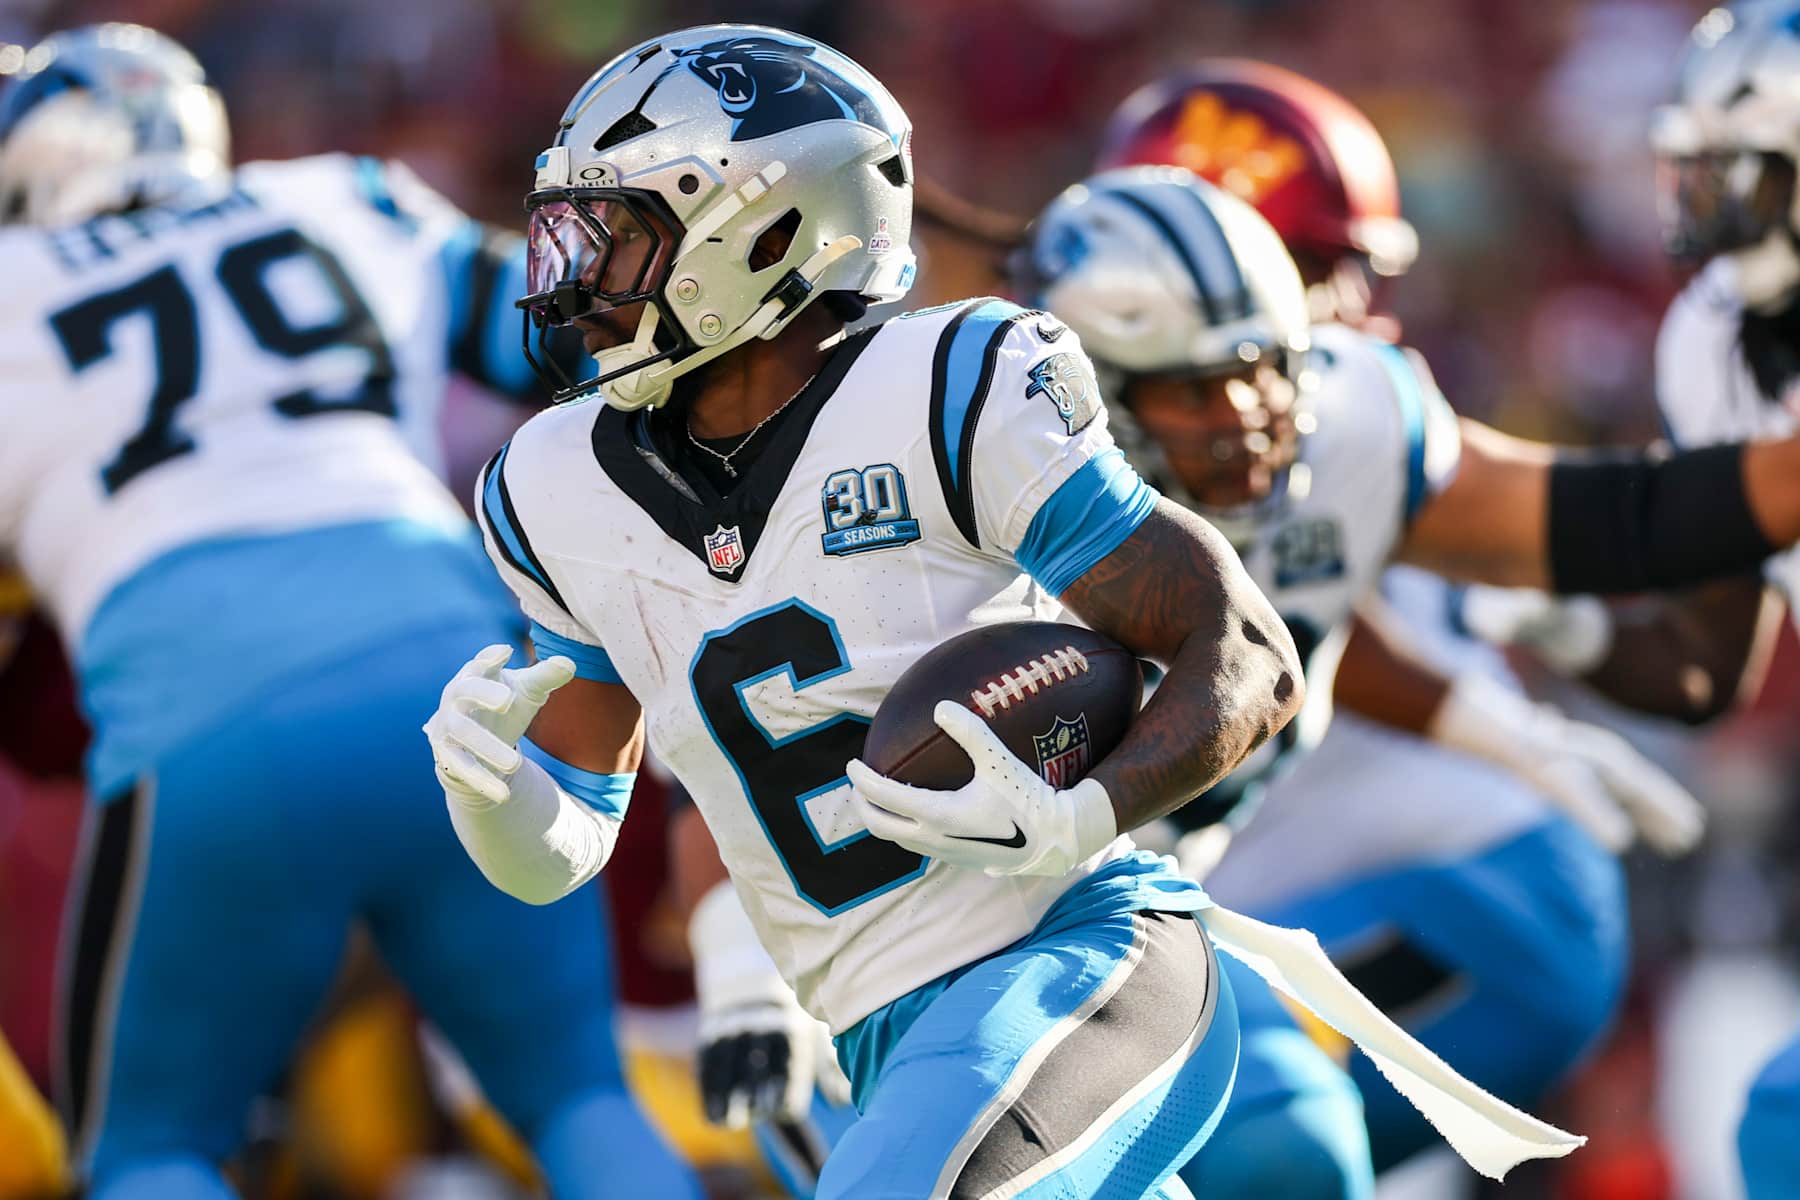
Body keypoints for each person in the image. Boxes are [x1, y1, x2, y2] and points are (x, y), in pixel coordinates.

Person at [425, 24, 1303, 1200]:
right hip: (879, 1043)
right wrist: (494, 798)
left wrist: (1084, 816)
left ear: (764, 229)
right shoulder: (549, 488)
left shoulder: (947, 387)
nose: (578, 277)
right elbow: (571, 841)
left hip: (1079, 961)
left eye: (622, 235)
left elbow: (1243, 650)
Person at [0, 23, 697, 1199]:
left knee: (149, 1147)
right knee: (579, 1098)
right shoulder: (345, 202)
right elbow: (590, 345)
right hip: (463, 668)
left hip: (208, 711)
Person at [1092, 61, 1661, 1181]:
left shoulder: (1304, 424)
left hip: (1451, 882)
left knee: (1161, 1118)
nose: (1345, 308)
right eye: (1311, 266)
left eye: (1337, 269)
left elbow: (1275, 638)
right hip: (1423, 885)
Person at [1442, 5, 1800, 1193]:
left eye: (1738, 167)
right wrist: (1575, 624)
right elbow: (1709, 663)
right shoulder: (1716, 340)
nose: (1700, 194)